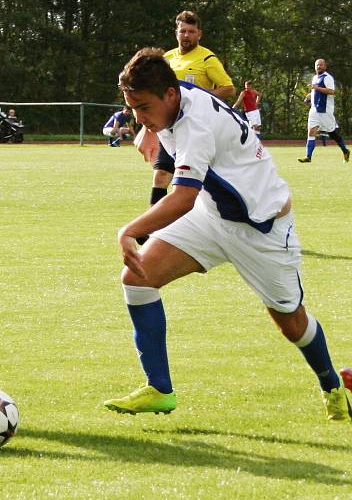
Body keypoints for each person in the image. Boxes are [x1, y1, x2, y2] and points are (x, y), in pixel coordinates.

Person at [104, 47, 352, 422]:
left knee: (291, 323)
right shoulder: (177, 95)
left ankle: (332, 384)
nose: (139, 117)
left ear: (169, 95)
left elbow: (184, 196)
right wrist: (146, 126)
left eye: (142, 108)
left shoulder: (195, 123)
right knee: (138, 278)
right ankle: (159, 389)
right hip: (212, 214)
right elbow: (174, 143)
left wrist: (129, 230)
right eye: (132, 109)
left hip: (262, 227)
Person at [135, 10, 235, 244]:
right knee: (161, 176)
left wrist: (200, 99)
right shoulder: (168, 59)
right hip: (168, 130)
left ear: (199, 33)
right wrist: (147, 127)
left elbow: (228, 88)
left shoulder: (207, 59)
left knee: (196, 185)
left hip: (196, 131)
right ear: (176, 32)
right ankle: (153, 230)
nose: (186, 35)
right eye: (183, 31)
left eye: (191, 31)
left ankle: (218, 229)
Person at [297, 59, 349, 163]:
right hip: (314, 110)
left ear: (325, 66)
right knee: (311, 132)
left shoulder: (327, 77)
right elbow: (315, 91)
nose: (319, 67)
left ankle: (345, 151)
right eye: (317, 65)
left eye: (321, 65)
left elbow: (332, 91)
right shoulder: (315, 77)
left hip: (325, 111)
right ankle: (308, 157)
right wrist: (309, 96)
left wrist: (317, 88)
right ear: (315, 66)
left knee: (332, 133)